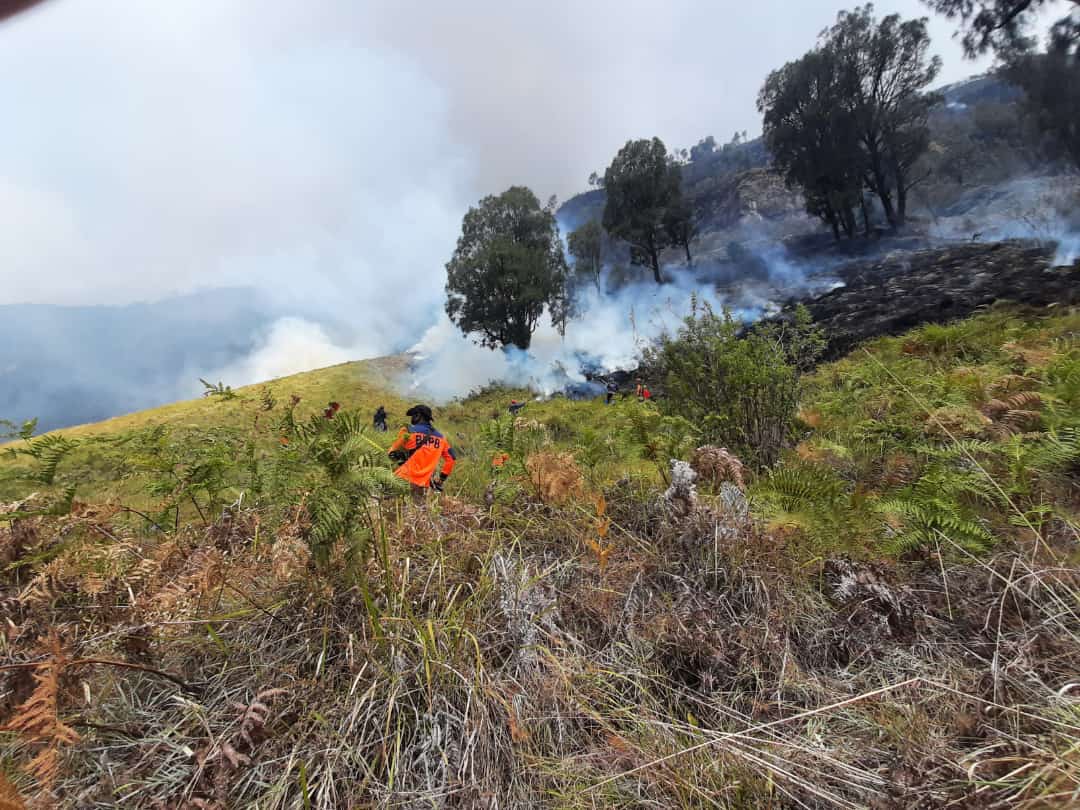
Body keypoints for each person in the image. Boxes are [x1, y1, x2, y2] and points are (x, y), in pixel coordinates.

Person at [388, 404, 456, 502]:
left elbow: (392, 453)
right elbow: (451, 459)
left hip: (402, 478)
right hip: (422, 485)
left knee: (391, 508)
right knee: (416, 511)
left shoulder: (408, 431)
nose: (411, 418)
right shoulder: (441, 438)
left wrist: (400, 460)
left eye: (413, 415)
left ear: (418, 416)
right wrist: (441, 479)